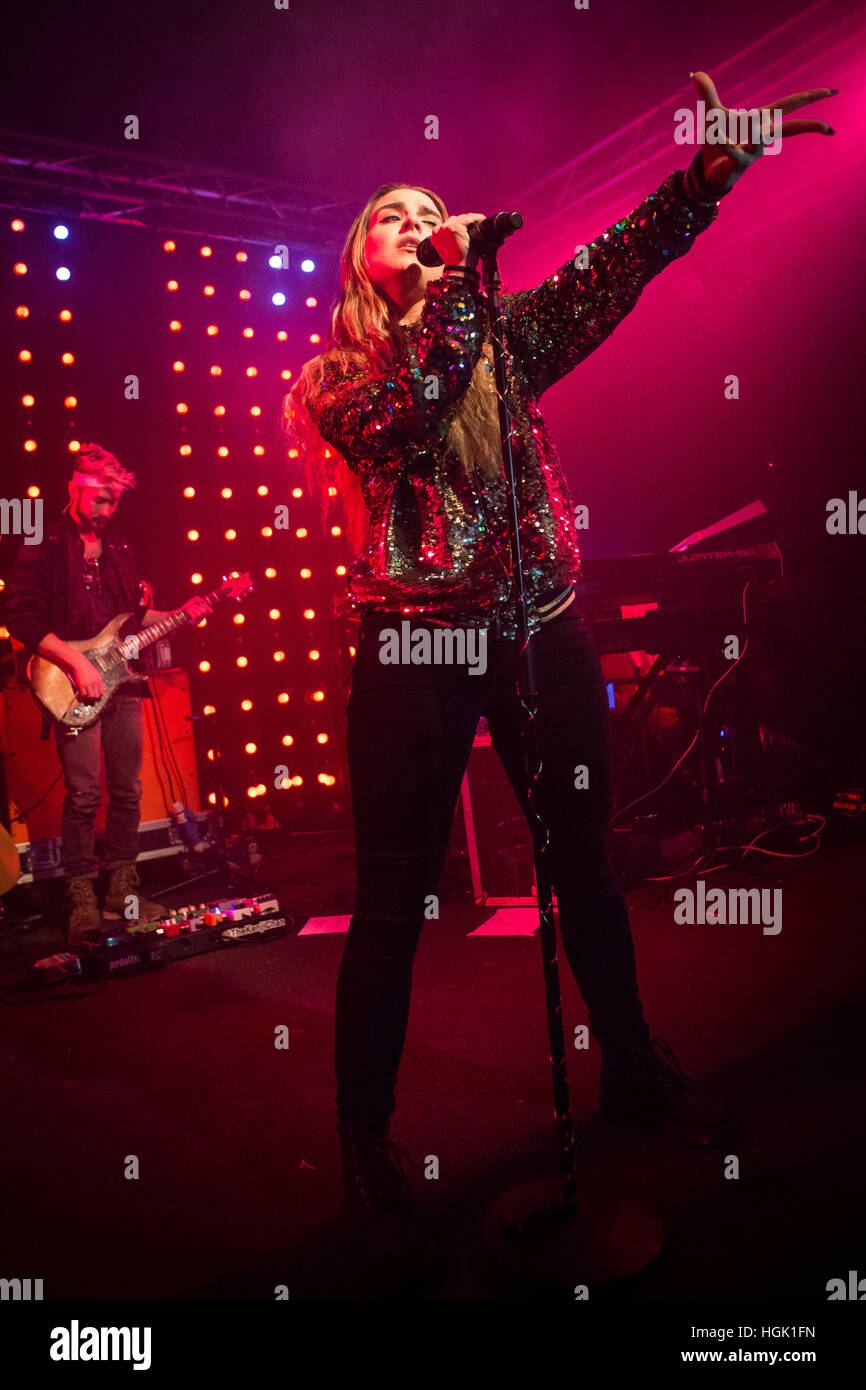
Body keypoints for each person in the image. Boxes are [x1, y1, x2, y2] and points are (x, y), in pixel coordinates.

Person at [283, 74, 837, 1261]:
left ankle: (632, 1069)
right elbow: (422, 409)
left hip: (537, 621)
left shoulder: (502, 337)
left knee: (580, 863)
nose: (419, 219)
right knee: (393, 897)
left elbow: (607, 273)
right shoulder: (338, 381)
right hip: (414, 639)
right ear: (361, 263)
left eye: (431, 205)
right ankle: (367, 1144)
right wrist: (460, 286)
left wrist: (696, 186)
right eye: (393, 215)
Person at [5, 443, 212, 944]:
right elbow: (20, 615)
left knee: (128, 790)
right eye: (98, 499)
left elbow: (133, 622)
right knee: (83, 794)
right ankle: (81, 896)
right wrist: (76, 662)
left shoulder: (119, 548)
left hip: (121, 681)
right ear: (74, 488)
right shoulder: (44, 543)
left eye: (112, 502)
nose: (104, 511)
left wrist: (184, 612)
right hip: (69, 682)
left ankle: (123, 889)